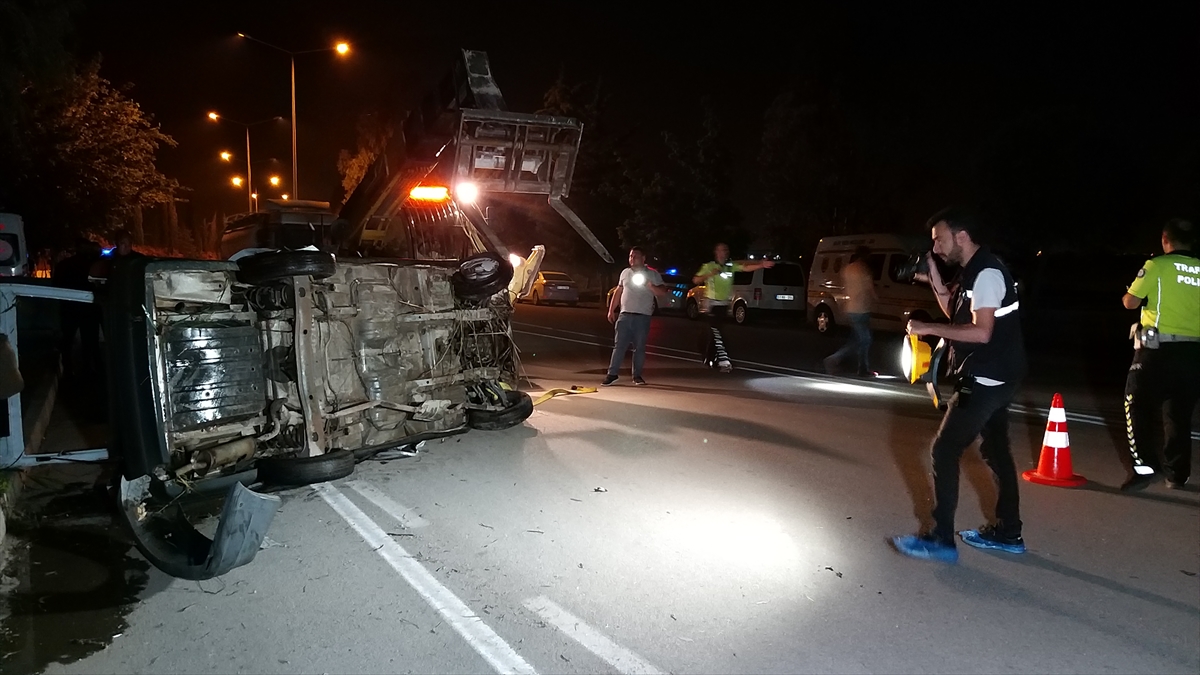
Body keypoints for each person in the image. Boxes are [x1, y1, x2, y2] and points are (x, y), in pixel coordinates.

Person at [891, 208, 1027, 563]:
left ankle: (940, 540)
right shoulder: (974, 271)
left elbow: (981, 332)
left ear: (961, 236)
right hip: (998, 376)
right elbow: (954, 308)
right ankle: (1009, 532)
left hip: (983, 378)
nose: (935, 245)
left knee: (944, 449)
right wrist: (932, 271)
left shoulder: (987, 274)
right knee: (996, 451)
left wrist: (927, 329)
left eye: (939, 238)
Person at [1118, 218, 1200, 491]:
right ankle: (1177, 475)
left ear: (1166, 240)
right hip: (1193, 353)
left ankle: (1145, 467)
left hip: (1158, 350)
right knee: (1178, 414)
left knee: (1135, 401)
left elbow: (1130, 302)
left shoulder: (1158, 265)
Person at [692, 243, 773, 373]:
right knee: (717, 333)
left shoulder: (730, 266)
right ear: (716, 252)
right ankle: (723, 362)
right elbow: (695, 280)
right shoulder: (709, 266)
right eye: (720, 250)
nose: (723, 253)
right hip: (712, 304)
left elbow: (745, 268)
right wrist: (710, 274)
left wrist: (761, 265)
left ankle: (709, 359)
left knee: (715, 334)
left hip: (723, 304)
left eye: (725, 250)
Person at [603, 247, 667, 386]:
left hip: (642, 317)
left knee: (639, 347)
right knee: (619, 346)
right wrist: (611, 310)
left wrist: (650, 286)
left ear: (643, 258)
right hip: (625, 315)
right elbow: (618, 291)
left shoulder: (652, 274)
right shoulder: (625, 273)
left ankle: (637, 375)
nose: (632, 259)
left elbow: (662, 292)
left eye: (636, 256)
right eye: (631, 256)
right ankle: (612, 374)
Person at [823, 246, 877, 377]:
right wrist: (876, 300)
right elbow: (870, 289)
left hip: (851, 307)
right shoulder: (864, 270)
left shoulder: (847, 269)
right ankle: (834, 360)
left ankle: (862, 368)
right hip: (862, 308)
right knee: (865, 340)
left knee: (857, 339)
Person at [53, 238, 103, 378]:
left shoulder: (64, 265)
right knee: (89, 341)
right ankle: (88, 369)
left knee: (68, 340)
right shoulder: (93, 265)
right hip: (88, 310)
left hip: (69, 308)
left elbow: (56, 285)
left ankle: (68, 369)